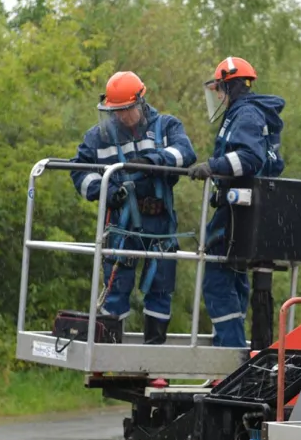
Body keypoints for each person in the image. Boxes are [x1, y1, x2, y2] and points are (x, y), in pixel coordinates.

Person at [70, 71, 197, 345]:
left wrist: (153, 161)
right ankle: (109, 349)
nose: (122, 116)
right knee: (116, 286)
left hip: (160, 223)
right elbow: (79, 172)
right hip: (121, 223)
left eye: (126, 109)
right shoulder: (98, 137)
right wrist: (105, 191)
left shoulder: (167, 126)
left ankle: (154, 352)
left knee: (160, 286)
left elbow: (185, 153)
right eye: (116, 111)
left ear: (140, 101)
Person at [187, 56, 286, 348]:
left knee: (217, 282)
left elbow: (250, 158)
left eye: (219, 89)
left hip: (236, 212)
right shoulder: (250, 113)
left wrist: (213, 166)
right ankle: (234, 348)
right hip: (243, 211)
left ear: (230, 86)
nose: (218, 96)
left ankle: (230, 352)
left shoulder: (246, 115)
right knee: (234, 279)